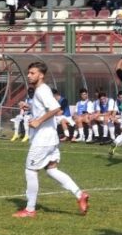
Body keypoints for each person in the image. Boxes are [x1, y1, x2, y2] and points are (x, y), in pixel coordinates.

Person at [14, 62, 89, 218]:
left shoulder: (42, 90)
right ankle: (79, 194)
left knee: (30, 170)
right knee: (51, 169)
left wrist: (38, 121)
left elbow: (55, 108)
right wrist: (30, 107)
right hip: (51, 138)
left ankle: (29, 209)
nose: (29, 75)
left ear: (41, 75)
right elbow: (45, 107)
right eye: (28, 73)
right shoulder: (40, 91)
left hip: (42, 139)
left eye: (32, 73)